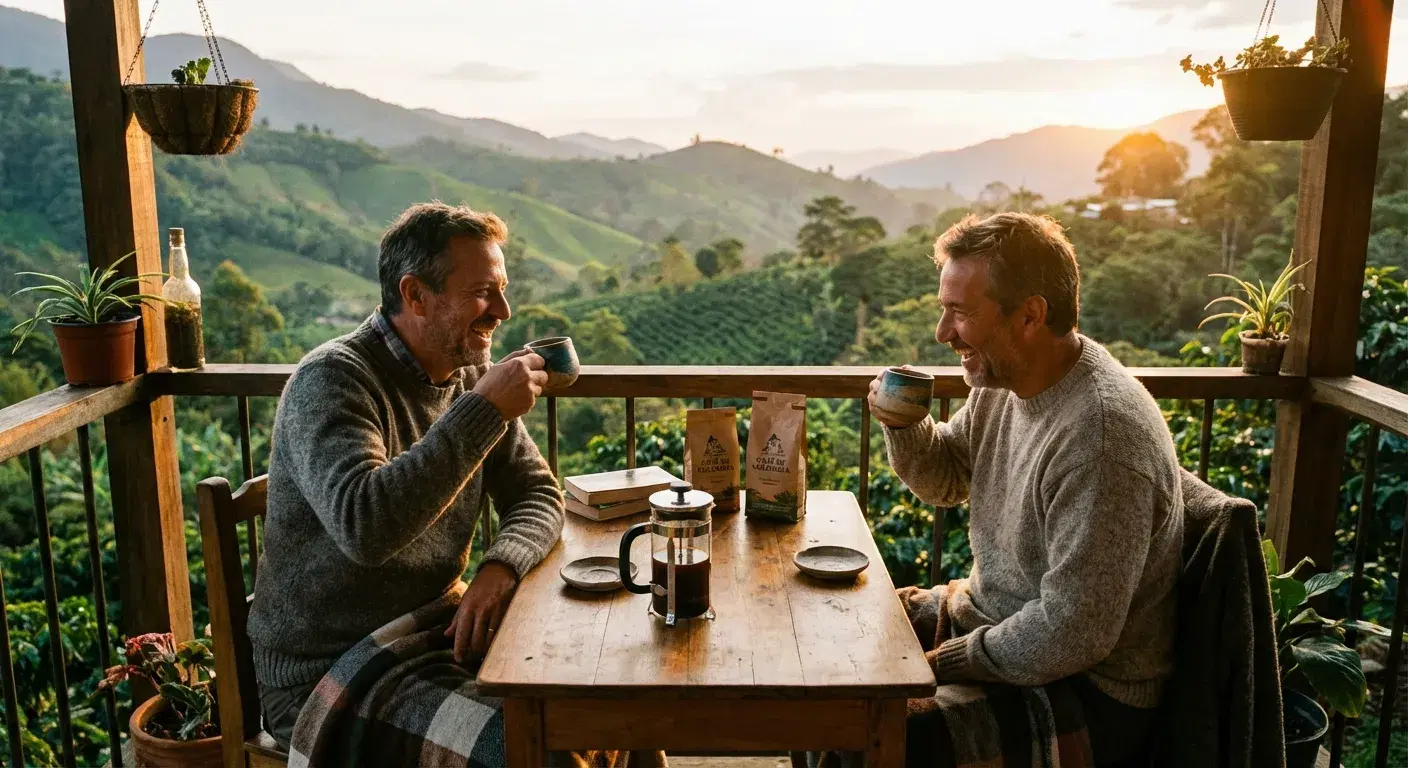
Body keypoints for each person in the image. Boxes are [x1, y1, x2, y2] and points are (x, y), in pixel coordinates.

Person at [246, 202, 564, 755]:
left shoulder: (467, 376)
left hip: (436, 632)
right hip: (331, 670)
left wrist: (500, 566)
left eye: (503, 289)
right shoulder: (332, 380)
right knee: (528, 748)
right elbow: (367, 528)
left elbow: (538, 491)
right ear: (415, 294)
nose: (504, 311)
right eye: (482, 292)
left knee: (604, 709)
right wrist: (485, 412)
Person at [867, 212, 1183, 766]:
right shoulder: (1004, 380)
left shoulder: (1102, 438)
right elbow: (947, 477)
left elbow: (1073, 632)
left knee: (877, 725)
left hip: (1089, 692)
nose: (943, 334)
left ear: (1031, 316)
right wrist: (904, 424)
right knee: (843, 653)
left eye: (960, 313)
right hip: (999, 626)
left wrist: (949, 660)